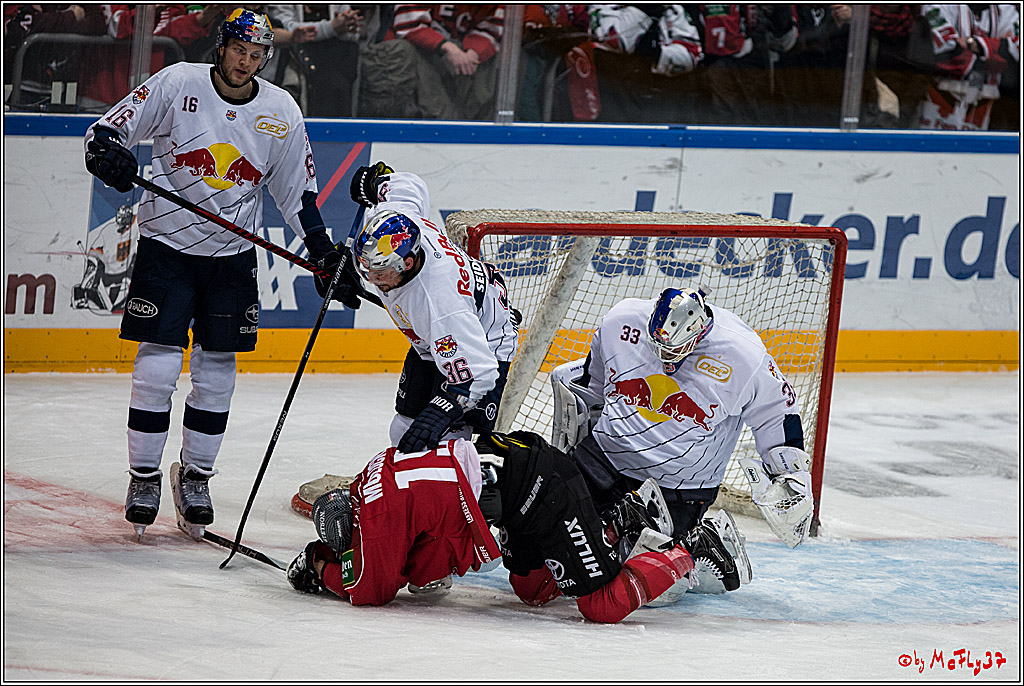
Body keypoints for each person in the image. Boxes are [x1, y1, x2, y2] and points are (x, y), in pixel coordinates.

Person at [84, 8, 347, 540]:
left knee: (217, 371)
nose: (245, 63)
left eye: (256, 56)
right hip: (167, 250)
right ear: (221, 46)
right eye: (238, 51)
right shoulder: (179, 83)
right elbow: (108, 131)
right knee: (156, 369)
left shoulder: (280, 110)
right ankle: (144, 478)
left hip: (230, 260)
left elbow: (296, 192)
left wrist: (321, 249)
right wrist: (107, 154)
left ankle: (197, 476)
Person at [286, 431, 751, 622]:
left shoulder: (376, 520)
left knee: (600, 605)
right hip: (520, 486)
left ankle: (693, 543)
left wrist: (318, 566)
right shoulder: (371, 477)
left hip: (541, 493)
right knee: (533, 589)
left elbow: (372, 588)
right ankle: (619, 522)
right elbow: (422, 559)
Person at [550, 286, 815, 549]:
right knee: (550, 534)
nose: (665, 358)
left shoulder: (744, 354)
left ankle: (706, 543)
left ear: (700, 332)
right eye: (659, 346)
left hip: (678, 489)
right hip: (604, 459)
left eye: (676, 349)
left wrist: (790, 475)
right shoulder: (621, 320)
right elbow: (593, 385)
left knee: (647, 578)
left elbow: (778, 410)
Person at [327, 161, 519, 455]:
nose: (373, 281)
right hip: (434, 338)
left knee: (446, 440)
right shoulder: (394, 221)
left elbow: (479, 373)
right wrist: (377, 183)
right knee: (403, 427)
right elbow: (409, 186)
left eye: (380, 274)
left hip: (484, 341)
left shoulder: (439, 303)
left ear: (408, 263)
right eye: (367, 271)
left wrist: (441, 412)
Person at [917, 4, 1020, 131]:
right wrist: (998, 50)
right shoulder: (937, 5)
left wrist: (974, 44)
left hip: (984, 105)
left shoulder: (1006, 9)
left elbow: (1017, 52)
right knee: (930, 147)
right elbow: (942, 52)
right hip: (940, 98)